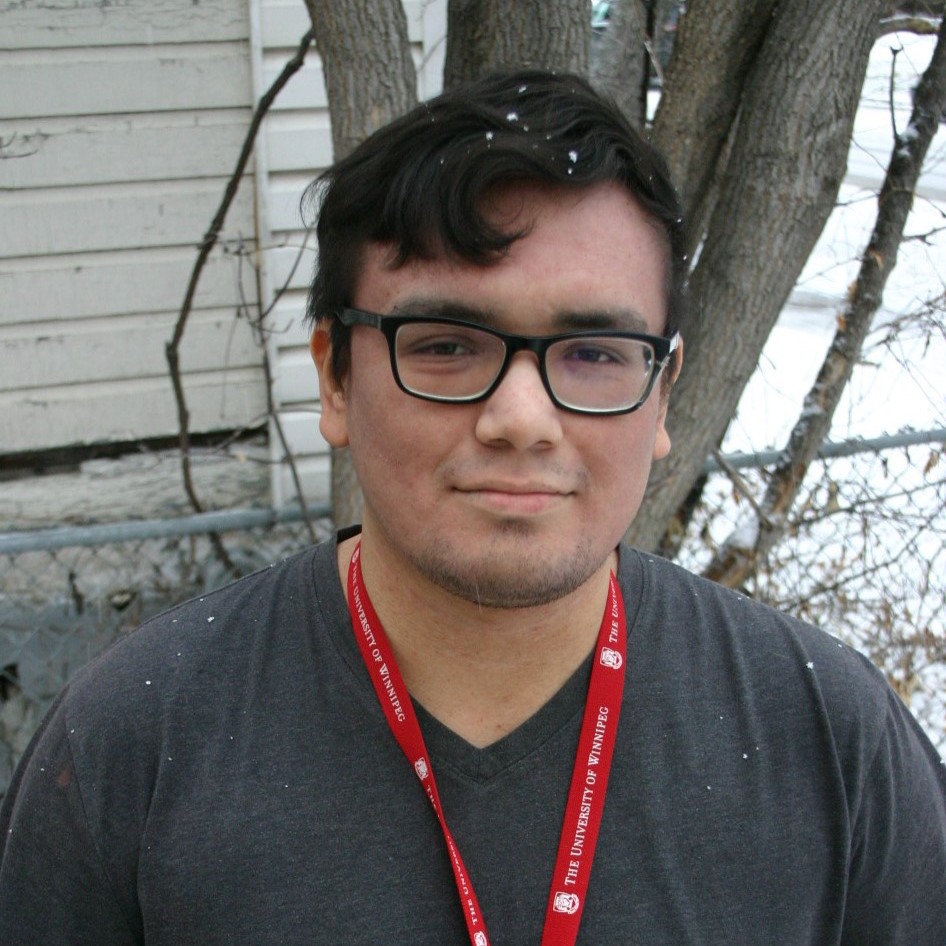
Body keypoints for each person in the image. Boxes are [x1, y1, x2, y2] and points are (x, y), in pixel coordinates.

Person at [1, 69, 944, 946]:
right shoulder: (132, 749)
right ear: (336, 375)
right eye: (448, 345)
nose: (522, 419)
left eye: (595, 354)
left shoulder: (831, 742)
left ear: (662, 395)